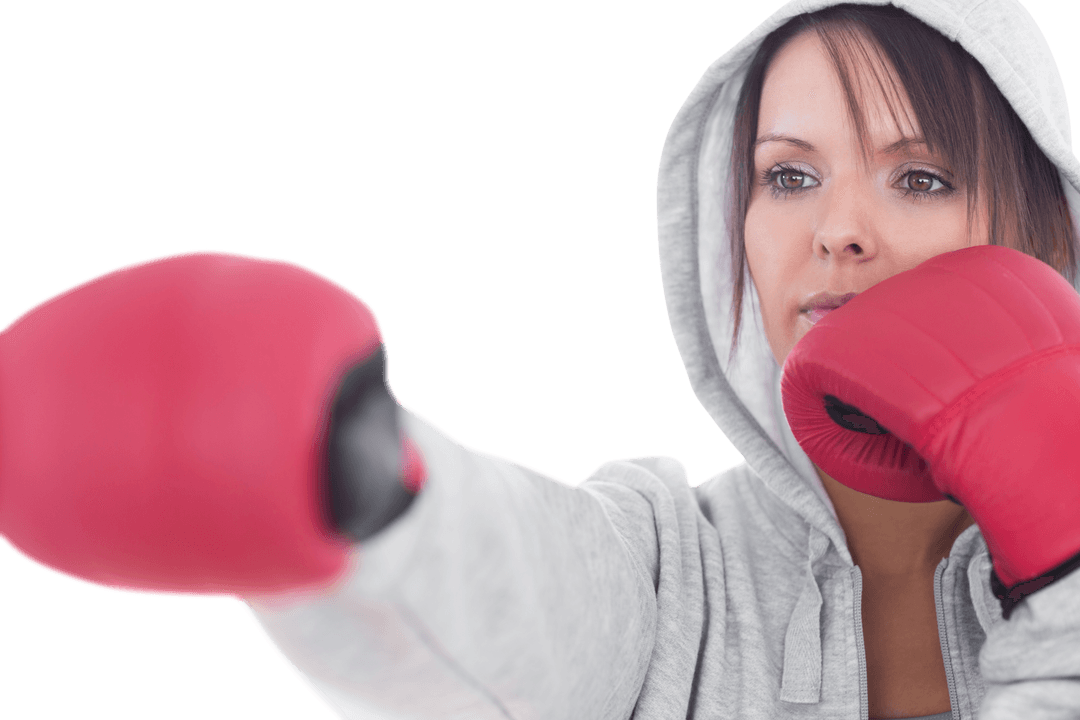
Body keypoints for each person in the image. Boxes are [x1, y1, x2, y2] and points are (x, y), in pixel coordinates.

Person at [1, 1, 1078, 719]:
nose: (837, 231)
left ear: (1046, 224)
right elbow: (524, 592)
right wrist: (334, 473)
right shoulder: (670, 561)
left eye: (921, 178)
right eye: (787, 178)